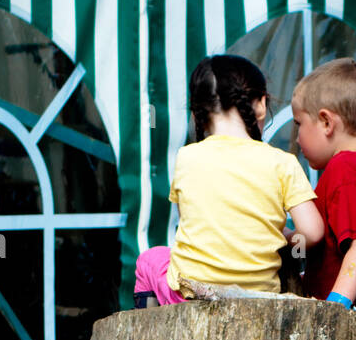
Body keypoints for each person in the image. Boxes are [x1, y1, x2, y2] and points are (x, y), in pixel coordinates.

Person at [135, 54, 324, 305]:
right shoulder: (281, 162)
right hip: (260, 294)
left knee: (149, 258)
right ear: (259, 105)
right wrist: (283, 236)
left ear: (197, 112)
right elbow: (312, 232)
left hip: (191, 294)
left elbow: (190, 223)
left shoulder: (186, 157)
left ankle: (153, 331)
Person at [290, 58, 356, 308]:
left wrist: (337, 305)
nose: (297, 139)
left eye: (298, 124)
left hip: (342, 319)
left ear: (326, 122)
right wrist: (289, 239)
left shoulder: (347, 170)